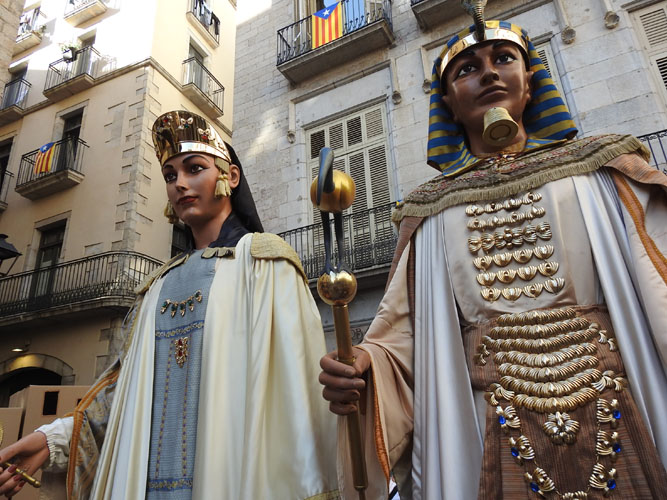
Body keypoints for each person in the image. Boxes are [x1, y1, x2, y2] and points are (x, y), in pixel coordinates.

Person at [319, 6, 667, 500]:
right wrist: (364, 368)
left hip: (617, 406)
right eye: (467, 68)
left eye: (504, 58)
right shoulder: (429, 210)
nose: (488, 73)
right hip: (488, 422)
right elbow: (401, 335)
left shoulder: (603, 172)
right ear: (448, 103)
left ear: (530, 83)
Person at [0, 110, 339, 499]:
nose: (179, 183)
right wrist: (50, 441)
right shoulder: (155, 287)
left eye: (194, 168)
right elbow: (119, 397)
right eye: (169, 175)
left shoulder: (265, 262)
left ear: (230, 177)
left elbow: (296, 394)